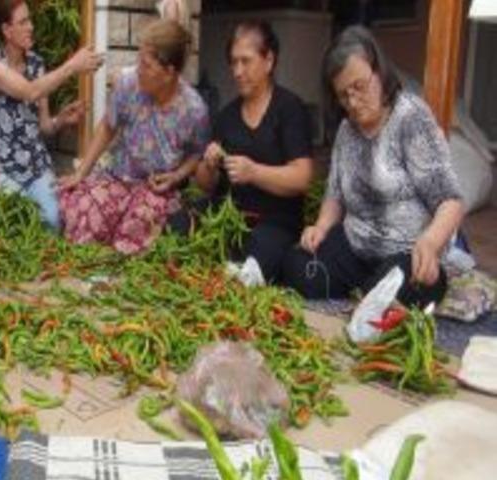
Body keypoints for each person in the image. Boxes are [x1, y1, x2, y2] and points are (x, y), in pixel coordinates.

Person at [282, 26, 465, 307]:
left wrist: (430, 243)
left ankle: (374, 291)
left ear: (379, 71)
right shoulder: (346, 130)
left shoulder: (410, 118)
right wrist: (321, 227)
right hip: (355, 248)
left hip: (407, 253)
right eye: (344, 95)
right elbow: (335, 194)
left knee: (399, 287)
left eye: (359, 87)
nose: (353, 102)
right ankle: (368, 290)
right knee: (296, 266)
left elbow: (450, 201)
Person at [174, 21, 314, 282]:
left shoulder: (289, 109)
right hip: (229, 215)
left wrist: (254, 172)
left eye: (246, 61)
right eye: (233, 62)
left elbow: (302, 177)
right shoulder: (227, 116)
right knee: (179, 222)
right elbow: (204, 184)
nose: (238, 71)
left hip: (274, 220)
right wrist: (209, 165)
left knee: (260, 248)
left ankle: (233, 270)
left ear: (268, 60)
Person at [58, 20, 210, 254]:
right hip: (118, 178)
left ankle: (116, 265)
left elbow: (197, 153)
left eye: (146, 65)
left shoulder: (194, 110)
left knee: (135, 230)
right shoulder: (128, 84)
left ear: (169, 72)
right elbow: (107, 127)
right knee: (82, 209)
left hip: (155, 191)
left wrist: (176, 176)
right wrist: (81, 173)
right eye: (138, 60)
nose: (138, 69)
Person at [0, 0, 103, 229]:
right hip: (6, 168)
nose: (31, 27)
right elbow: (30, 91)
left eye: (30, 20)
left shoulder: (37, 63)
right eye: (23, 22)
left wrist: (62, 119)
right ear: (7, 30)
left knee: (53, 220)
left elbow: (44, 126)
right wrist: (71, 66)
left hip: (38, 166)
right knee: (15, 222)